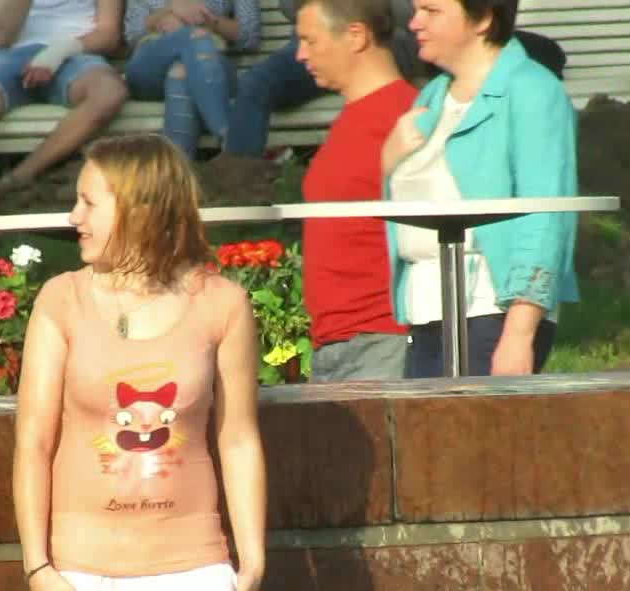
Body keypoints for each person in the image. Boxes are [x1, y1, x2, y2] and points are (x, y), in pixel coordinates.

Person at [11, 133, 267, 591]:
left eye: (89, 202)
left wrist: (252, 558)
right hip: (82, 571)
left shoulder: (221, 303)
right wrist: (38, 569)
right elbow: (34, 442)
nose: (73, 216)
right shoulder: (62, 299)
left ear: (141, 209)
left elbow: (238, 438)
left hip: (194, 565)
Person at [380, 0, 577, 378]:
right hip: (426, 314)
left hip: (492, 312)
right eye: (415, 9)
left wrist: (519, 334)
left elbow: (546, 216)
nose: (415, 23)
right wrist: (388, 160)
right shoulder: (432, 96)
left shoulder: (533, 91)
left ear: (483, 18)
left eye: (431, 11)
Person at [294, 0, 418, 381]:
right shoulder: (352, 118)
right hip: (334, 343)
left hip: (383, 339)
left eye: (310, 41)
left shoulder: (406, 117)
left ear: (356, 36)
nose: (300, 55)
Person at [0, 0, 129, 184]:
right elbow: (2, 37)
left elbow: (109, 34)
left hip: (75, 51)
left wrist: (56, 53)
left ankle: (18, 178)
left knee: (109, 93)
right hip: (13, 56)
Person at [221, 0, 420, 160]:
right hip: (318, 44)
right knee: (255, 83)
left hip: (380, 43)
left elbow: (410, 13)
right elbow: (289, 7)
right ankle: (240, 177)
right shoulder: (304, 50)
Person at [121, 0, 262, 157]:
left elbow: (250, 37)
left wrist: (208, 21)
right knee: (191, 36)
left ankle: (177, 168)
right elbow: (132, 34)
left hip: (211, 65)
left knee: (181, 71)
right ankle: (229, 138)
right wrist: (168, 11)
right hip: (151, 67)